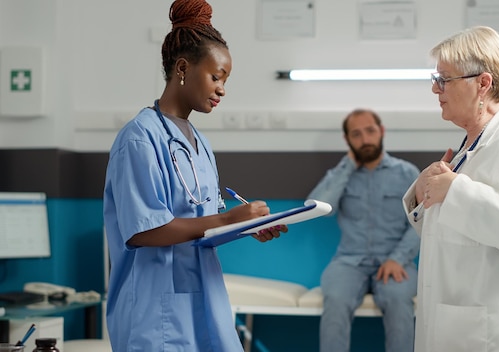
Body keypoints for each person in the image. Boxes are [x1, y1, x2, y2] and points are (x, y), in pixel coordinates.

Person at [102, 1, 287, 351]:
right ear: (183, 68)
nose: (222, 89)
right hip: (154, 305)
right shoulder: (139, 138)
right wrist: (229, 217)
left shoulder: (198, 142)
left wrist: (243, 227)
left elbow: (202, 225)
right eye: (216, 76)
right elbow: (144, 230)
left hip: (203, 294)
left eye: (226, 80)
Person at [402, 26, 499, 352]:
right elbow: (456, 233)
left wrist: (455, 189)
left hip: (493, 330)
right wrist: (424, 193)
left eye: (444, 79)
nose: (436, 89)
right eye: (436, 79)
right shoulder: (470, 147)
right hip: (461, 321)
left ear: (483, 83)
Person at [308, 109, 421, 352]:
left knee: (398, 300)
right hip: (349, 262)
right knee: (336, 300)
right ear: (347, 140)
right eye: (356, 134)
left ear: (381, 131)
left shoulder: (407, 173)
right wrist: (348, 166)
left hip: (396, 262)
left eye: (370, 131)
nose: (365, 140)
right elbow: (317, 208)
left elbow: (419, 222)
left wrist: (397, 258)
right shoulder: (339, 174)